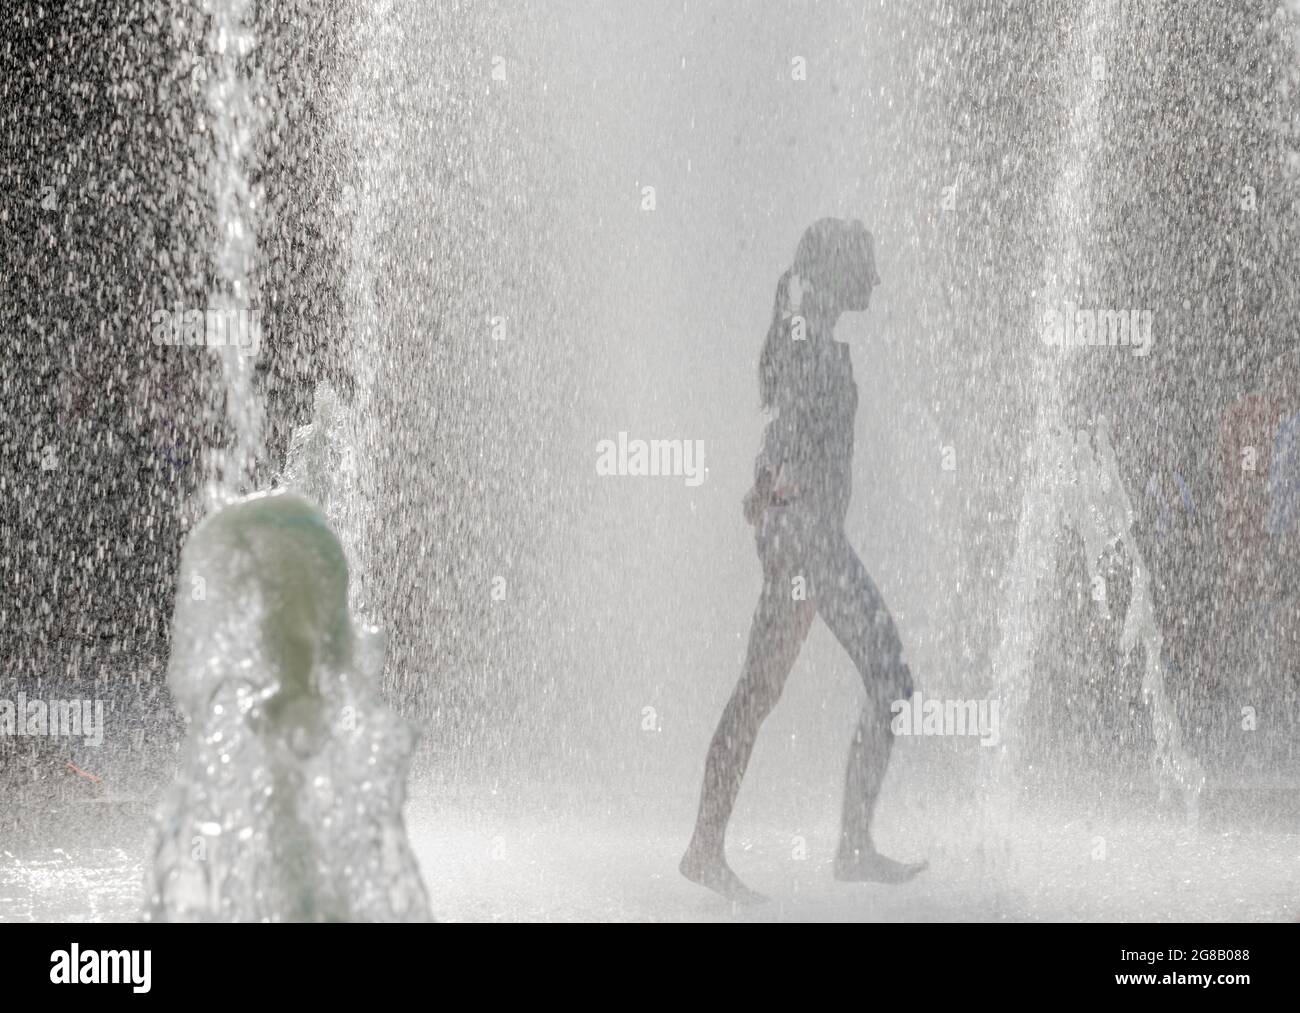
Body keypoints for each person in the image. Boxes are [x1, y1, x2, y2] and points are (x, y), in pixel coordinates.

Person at [680, 218, 925, 903]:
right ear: (839, 269)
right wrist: (772, 499)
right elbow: (788, 433)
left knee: (766, 689)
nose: (875, 278)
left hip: (806, 538)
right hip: (809, 543)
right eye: (866, 266)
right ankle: (833, 844)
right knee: (884, 678)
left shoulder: (809, 337)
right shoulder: (807, 341)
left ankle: (718, 844)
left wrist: (763, 497)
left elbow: (782, 438)